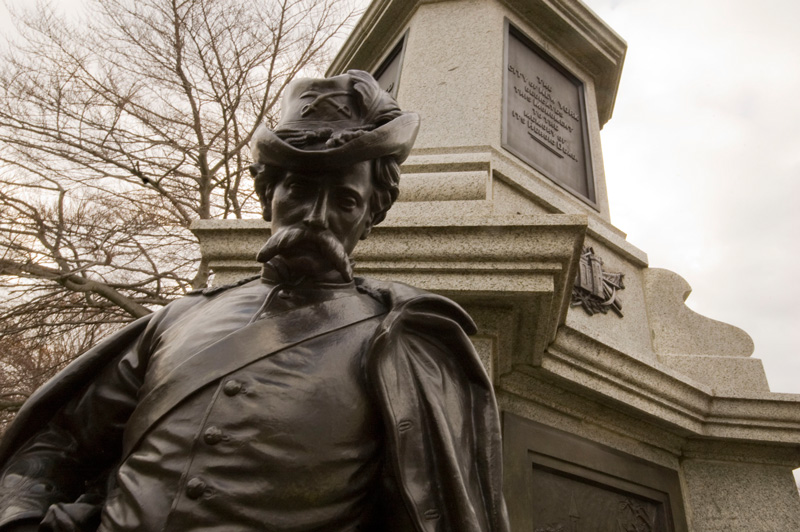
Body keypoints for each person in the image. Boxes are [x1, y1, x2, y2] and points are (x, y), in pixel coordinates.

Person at [0, 70, 509, 532]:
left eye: (345, 200)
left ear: (370, 216)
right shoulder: (178, 318)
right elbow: (62, 441)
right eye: (298, 191)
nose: (315, 216)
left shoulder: (404, 338)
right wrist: (21, 518)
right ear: (268, 196)